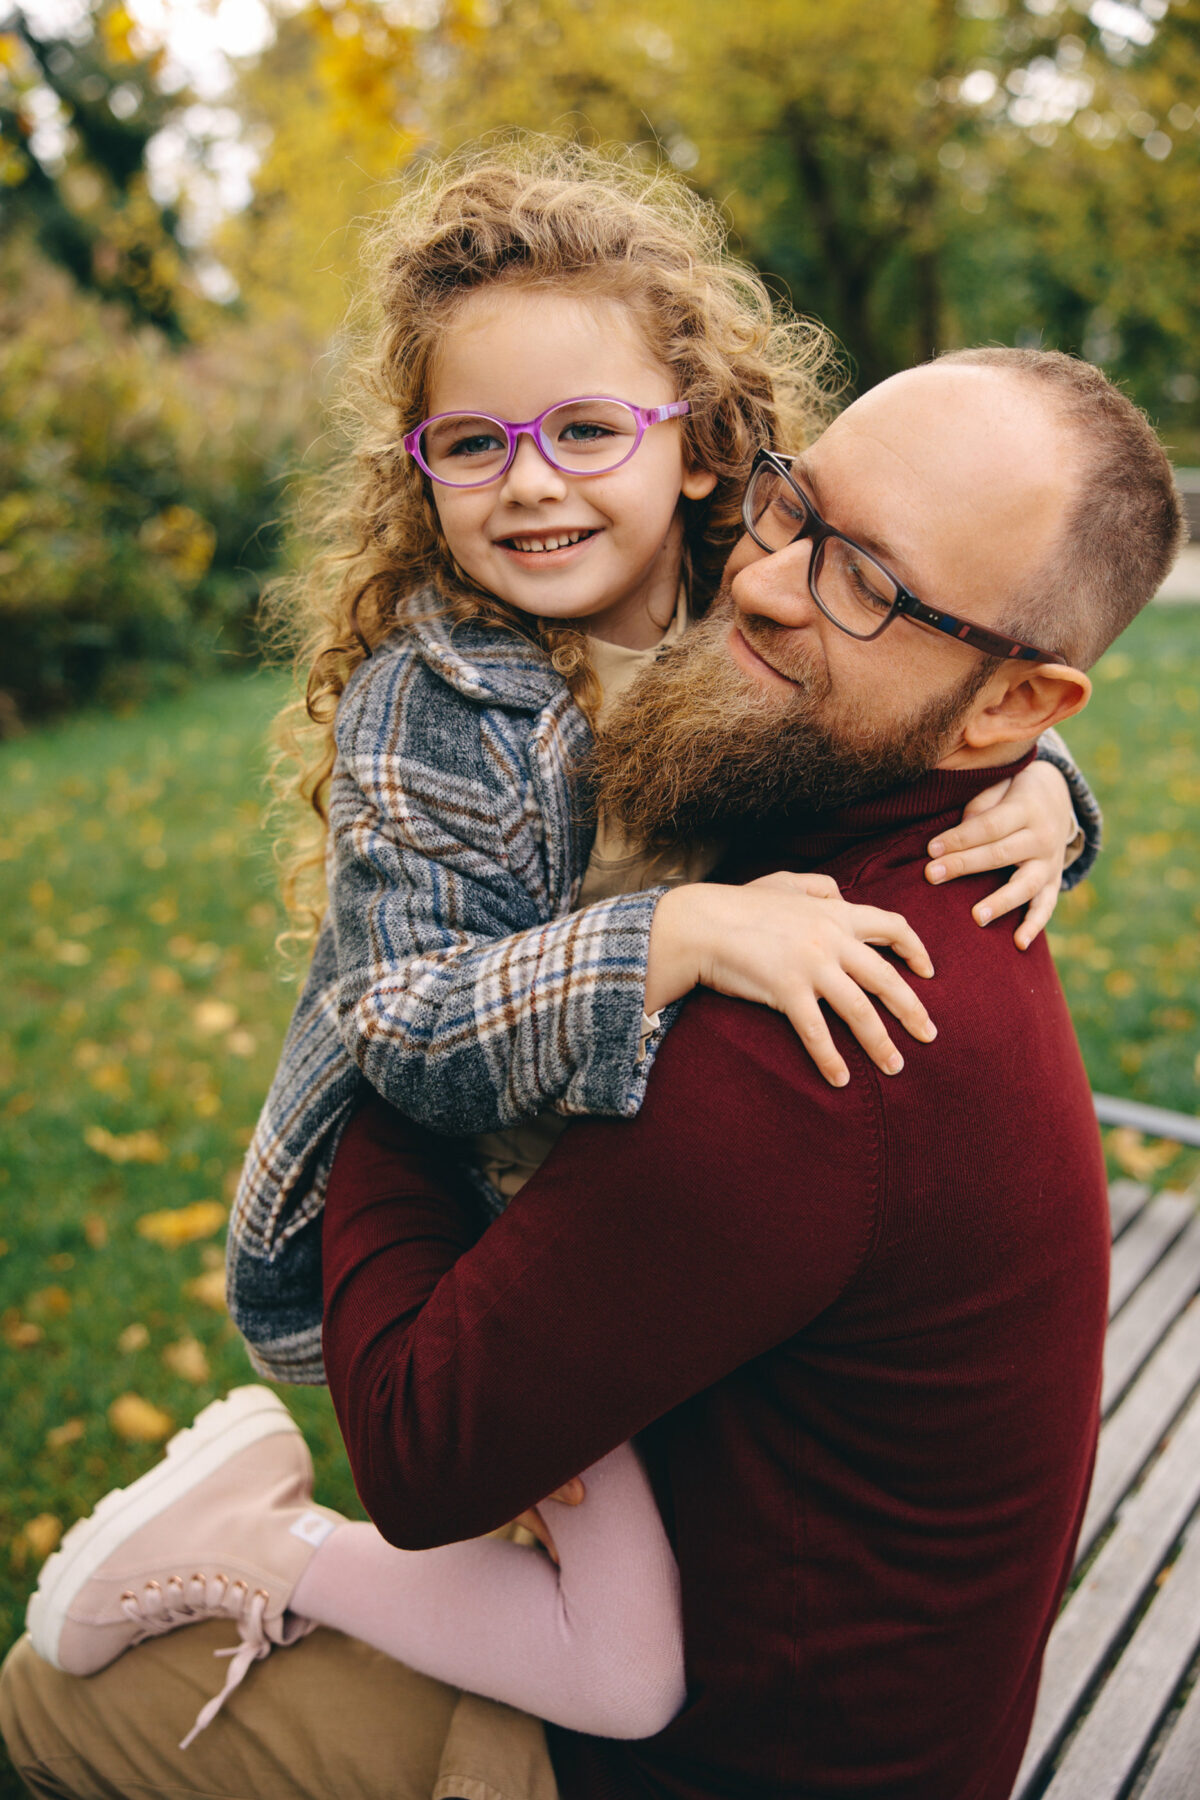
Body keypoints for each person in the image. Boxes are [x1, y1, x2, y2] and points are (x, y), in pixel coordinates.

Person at [17, 141, 1097, 1748]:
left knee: (625, 1643)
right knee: (624, 1666)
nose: (530, 483)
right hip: (489, 1204)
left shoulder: (747, 598)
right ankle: (254, 1543)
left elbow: (923, 672)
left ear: (704, 442)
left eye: (587, 431)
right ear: (422, 473)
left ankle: (287, 1556)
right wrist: (673, 935)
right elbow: (403, 1022)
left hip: (639, 1201)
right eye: (474, 444)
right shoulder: (436, 700)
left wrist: (1052, 792)